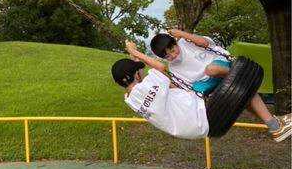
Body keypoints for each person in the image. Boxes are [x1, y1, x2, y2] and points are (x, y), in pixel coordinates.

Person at [111, 40, 291, 142]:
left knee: (238, 96)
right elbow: (159, 67)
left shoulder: (131, 99)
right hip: (201, 116)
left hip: (195, 127)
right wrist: (135, 52)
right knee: (241, 86)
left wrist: (132, 57)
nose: (142, 72)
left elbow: (153, 83)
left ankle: (275, 123)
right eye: (139, 71)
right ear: (136, 75)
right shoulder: (146, 86)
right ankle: (275, 126)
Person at [150, 29, 231, 94]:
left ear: (175, 43)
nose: (173, 55)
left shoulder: (186, 42)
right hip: (204, 82)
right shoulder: (173, 68)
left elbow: (205, 43)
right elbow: (184, 87)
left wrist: (181, 33)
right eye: (167, 56)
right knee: (191, 94)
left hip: (218, 64)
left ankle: (234, 74)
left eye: (172, 50)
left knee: (211, 69)